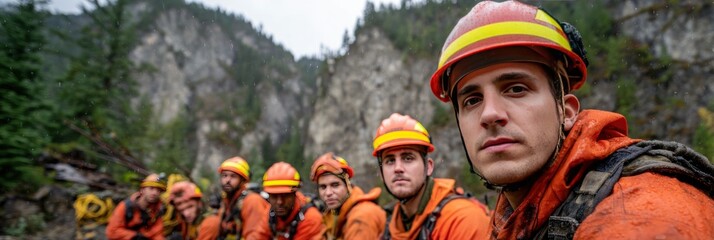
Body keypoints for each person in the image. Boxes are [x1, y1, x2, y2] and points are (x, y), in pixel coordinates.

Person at [428, 1, 714, 239]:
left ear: (566, 111)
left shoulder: (639, 214)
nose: (490, 114)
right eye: (472, 100)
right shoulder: (515, 214)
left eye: (516, 89)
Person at [372, 113, 490, 240]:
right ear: (381, 173)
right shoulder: (393, 224)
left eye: (408, 158)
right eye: (390, 161)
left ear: (428, 167)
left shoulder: (462, 219)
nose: (398, 168)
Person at [309, 152, 386, 239]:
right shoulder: (333, 215)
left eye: (335, 185)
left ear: (348, 185)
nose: (328, 193)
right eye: (323, 187)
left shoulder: (362, 216)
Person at [258, 161, 326, 240]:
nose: (280, 202)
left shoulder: (311, 218)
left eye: (285, 195)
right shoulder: (269, 214)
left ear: (295, 194)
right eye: (274, 196)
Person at [215, 156, 270, 240]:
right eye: (224, 176)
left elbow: (255, 236)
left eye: (233, 176)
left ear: (243, 181)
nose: (227, 180)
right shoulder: (227, 202)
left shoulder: (252, 201)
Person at [106, 173, 167, 240]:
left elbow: (157, 234)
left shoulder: (156, 210)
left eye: (158, 190)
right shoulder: (125, 206)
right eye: (151, 188)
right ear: (142, 190)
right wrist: (134, 236)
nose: (155, 193)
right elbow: (112, 231)